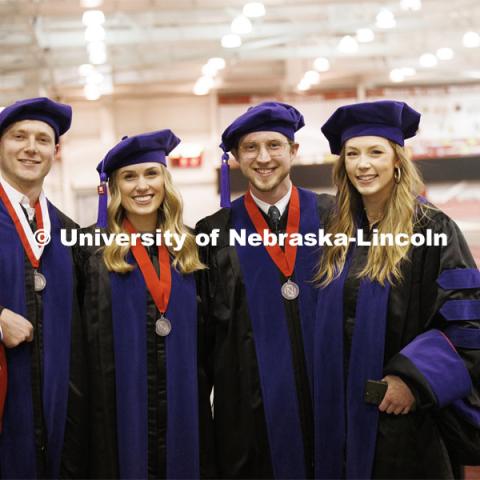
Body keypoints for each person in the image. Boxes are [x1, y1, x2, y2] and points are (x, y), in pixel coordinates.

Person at [313, 100, 480, 479]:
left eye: (375, 152)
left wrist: (413, 380)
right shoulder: (335, 233)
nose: (363, 164)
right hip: (338, 416)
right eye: (352, 154)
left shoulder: (433, 229)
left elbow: (467, 323)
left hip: (404, 419)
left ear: (397, 162)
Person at [196, 101, 333, 478]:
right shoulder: (212, 233)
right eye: (250, 148)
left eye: (274, 145)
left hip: (331, 407)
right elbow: (203, 339)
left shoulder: (335, 218)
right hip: (249, 422)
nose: (263, 158)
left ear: (294, 151)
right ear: (237, 159)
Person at [79, 129, 212, 478]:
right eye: (129, 176)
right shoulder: (91, 252)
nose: (142, 186)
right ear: (114, 187)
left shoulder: (192, 248)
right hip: (116, 415)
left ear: (165, 180)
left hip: (185, 407)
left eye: (151, 173)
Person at [0, 97, 86, 478]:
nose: (30, 148)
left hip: (56, 412)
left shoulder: (66, 230)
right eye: (19, 136)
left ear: (56, 150)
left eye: (41, 139)